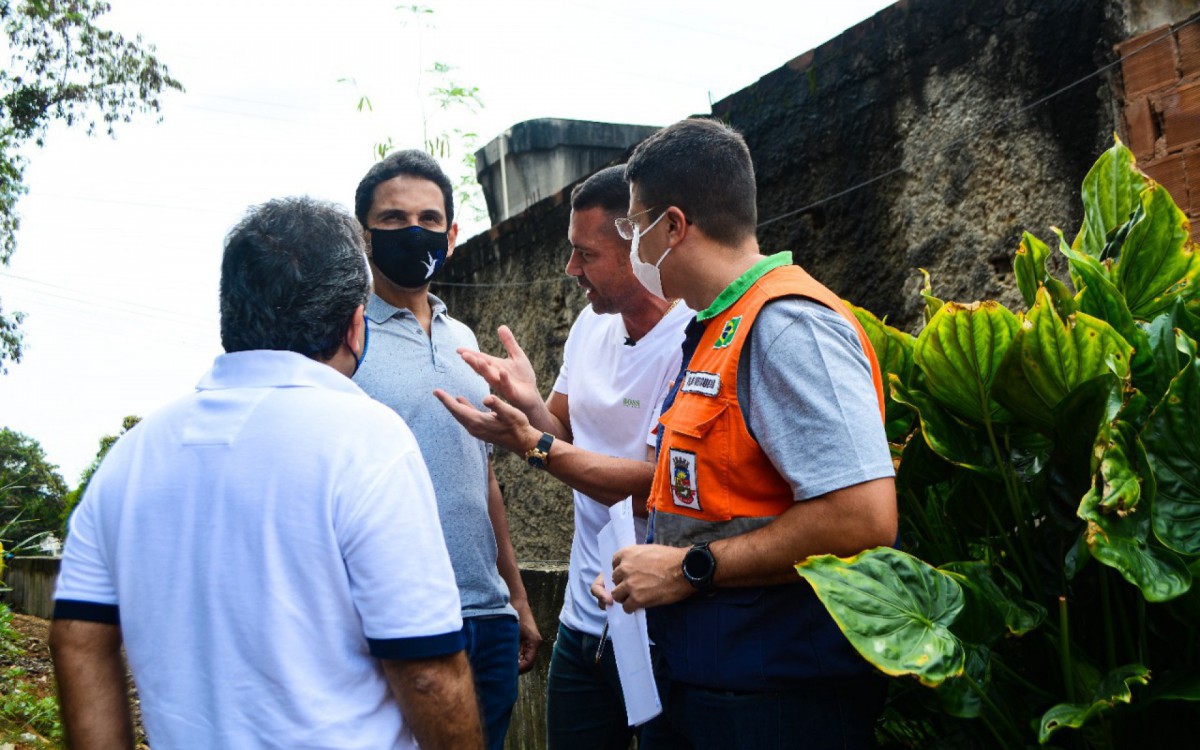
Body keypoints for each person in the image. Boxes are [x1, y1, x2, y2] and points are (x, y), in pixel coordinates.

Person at [50, 197, 481, 750]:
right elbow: (427, 673)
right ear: (356, 325)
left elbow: (77, 640)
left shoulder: (130, 459)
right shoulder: (367, 440)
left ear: (231, 313)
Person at [597, 118, 898, 749]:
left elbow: (862, 516)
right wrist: (648, 565)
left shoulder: (787, 327)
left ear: (673, 226)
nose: (632, 245)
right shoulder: (714, 329)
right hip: (708, 682)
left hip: (779, 697)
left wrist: (688, 569)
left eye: (634, 225)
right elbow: (719, 496)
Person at [435, 165, 691, 749]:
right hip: (582, 621)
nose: (571, 269)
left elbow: (655, 488)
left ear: (638, 247)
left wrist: (532, 444)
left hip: (658, 621)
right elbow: (564, 433)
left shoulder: (689, 338)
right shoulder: (591, 325)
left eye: (586, 254)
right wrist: (529, 406)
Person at [351, 149, 541, 750]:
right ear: (364, 235)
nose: (414, 232)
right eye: (393, 219)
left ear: (452, 234)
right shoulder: (344, 342)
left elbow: (483, 475)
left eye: (429, 220)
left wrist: (515, 598)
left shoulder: (464, 340)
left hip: (489, 617)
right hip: (401, 622)